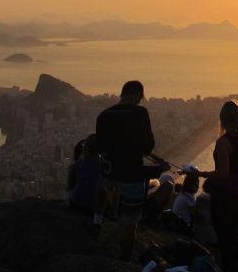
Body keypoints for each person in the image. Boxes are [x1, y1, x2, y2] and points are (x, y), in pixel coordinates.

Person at [94, 80, 166, 259]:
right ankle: (125, 260)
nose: (139, 102)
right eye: (140, 98)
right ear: (135, 95)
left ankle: (97, 220)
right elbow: (148, 144)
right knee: (130, 223)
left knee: (104, 184)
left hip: (110, 172)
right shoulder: (140, 113)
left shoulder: (104, 115)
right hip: (132, 174)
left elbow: (100, 147)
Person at [201, 100, 238, 272]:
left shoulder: (223, 142)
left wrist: (203, 174)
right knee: (234, 234)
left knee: (224, 234)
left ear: (222, 119)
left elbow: (223, 173)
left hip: (224, 195)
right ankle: (236, 270)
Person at [67, 134, 102, 213]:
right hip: (93, 206)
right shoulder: (101, 165)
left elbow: (71, 185)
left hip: (76, 201)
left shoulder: (79, 162)